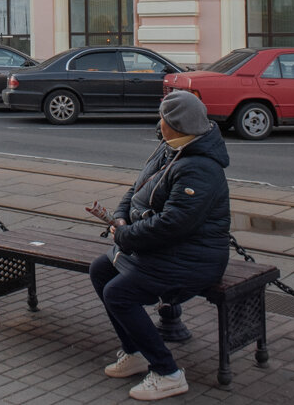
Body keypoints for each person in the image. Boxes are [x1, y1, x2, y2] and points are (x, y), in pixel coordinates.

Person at [89, 89, 231, 401]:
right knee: (101, 270)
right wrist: (120, 217)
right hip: (164, 250)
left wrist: (125, 236)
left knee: (118, 293)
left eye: (163, 118)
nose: (159, 122)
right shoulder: (170, 149)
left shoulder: (200, 167)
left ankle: (168, 372)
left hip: (194, 259)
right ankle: (135, 351)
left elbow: (174, 224)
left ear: (176, 124)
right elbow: (136, 188)